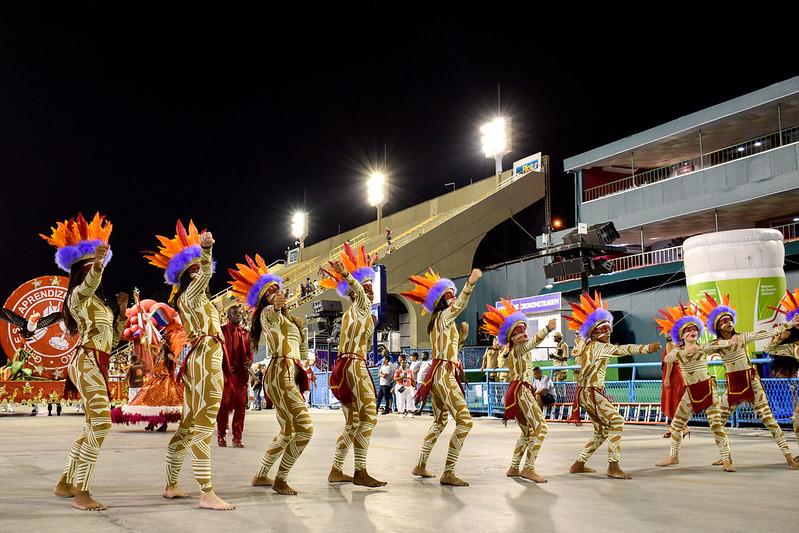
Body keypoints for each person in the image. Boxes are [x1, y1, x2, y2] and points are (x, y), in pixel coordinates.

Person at [146, 220, 234, 510]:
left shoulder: (196, 299)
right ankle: (206, 492)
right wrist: (206, 250)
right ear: (187, 275)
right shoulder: (192, 293)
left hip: (200, 356)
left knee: (189, 424)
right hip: (204, 356)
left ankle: (171, 485)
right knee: (204, 421)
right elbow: (207, 272)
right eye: (194, 269)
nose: (200, 272)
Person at [42, 213, 127, 511]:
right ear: (81, 272)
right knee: (102, 424)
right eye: (89, 268)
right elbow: (89, 284)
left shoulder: (99, 306)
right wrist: (99, 265)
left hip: (97, 361)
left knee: (93, 427)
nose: (94, 272)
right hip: (86, 361)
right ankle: (82, 491)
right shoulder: (76, 297)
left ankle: (66, 482)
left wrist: (121, 313)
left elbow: (112, 342)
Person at [229, 254, 313, 495]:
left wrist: (301, 331)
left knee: (288, 431)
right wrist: (274, 306)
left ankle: (262, 475)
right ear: (264, 300)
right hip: (280, 373)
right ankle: (281, 479)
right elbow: (271, 315)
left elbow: (303, 352)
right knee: (305, 429)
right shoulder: (268, 314)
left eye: (277, 290)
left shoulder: (289, 321)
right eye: (269, 293)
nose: (276, 294)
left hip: (289, 371)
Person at [697, 292, 799, 469]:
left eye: (729, 319)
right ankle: (725, 456)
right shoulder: (715, 344)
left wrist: (789, 324)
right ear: (717, 326)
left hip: (752, 383)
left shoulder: (742, 337)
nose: (728, 322)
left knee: (769, 420)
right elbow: (700, 350)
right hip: (734, 387)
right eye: (723, 321)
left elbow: (764, 334)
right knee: (716, 420)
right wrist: (722, 344)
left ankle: (789, 457)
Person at [566, 291, 661, 480]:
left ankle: (579, 463)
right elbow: (621, 349)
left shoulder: (586, 345)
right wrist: (646, 348)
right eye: (603, 329)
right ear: (593, 332)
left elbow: (580, 344)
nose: (608, 332)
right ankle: (613, 466)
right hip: (592, 392)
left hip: (587, 392)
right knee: (617, 422)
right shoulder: (599, 346)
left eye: (609, 328)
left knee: (601, 431)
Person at [403, 267, 482, 486]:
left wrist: (462, 337)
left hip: (437, 374)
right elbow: (460, 305)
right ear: (440, 300)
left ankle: (421, 464)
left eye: (453, 293)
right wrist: (470, 284)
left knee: (439, 421)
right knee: (464, 422)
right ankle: (448, 471)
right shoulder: (445, 316)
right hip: (444, 374)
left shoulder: (438, 320)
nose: (453, 297)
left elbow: (447, 349)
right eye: (448, 294)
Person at [321, 247, 386, 487]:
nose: (368, 291)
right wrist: (346, 274)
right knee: (369, 416)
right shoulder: (359, 306)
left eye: (371, 288)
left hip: (346, 365)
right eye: (365, 288)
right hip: (353, 365)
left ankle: (336, 470)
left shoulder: (363, 314)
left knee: (352, 424)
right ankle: (360, 471)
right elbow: (357, 289)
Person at [653, 305, 734, 472]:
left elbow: (720, 344)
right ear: (682, 335)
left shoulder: (703, 347)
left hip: (708, 391)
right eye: (688, 330)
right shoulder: (678, 351)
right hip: (690, 393)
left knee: (716, 425)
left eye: (694, 329)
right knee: (676, 424)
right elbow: (668, 358)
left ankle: (726, 459)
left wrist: (730, 341)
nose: (692, 331)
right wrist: (682, 350)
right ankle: (673, 456)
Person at [483, 300, 555, 482]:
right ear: (510, 335)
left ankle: (514, 467)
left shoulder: (515, 349)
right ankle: (528, 468)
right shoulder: (519, 348)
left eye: (523, 328)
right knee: (541, 427)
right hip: (521, 390)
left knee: (527, 432)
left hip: (518, 390)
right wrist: (546, 329)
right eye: (518, 330)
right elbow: (533, 342)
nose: (523, 332)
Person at [216, 305, 253, 448]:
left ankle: (237, 438)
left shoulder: (245, 333)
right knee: (223, 407)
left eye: (239, 313)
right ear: (228, 315)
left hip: (241, 376)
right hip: (225, 375)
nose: (238, 315)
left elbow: (250, 351)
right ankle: (221, 435)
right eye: (235, 313)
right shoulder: (221, 331)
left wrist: (250, 361)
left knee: (240, 408)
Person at [659, 333, 685, 439]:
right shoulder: (679, 345)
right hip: (678, 374)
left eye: (669, 331)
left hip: (673, 375)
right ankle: (674, 428)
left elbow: (669, 363)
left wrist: (667, 377)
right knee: (676, 402)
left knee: (673, 402)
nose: (666, 333)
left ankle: (684, 428)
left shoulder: (670, 345)